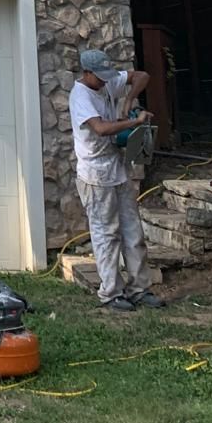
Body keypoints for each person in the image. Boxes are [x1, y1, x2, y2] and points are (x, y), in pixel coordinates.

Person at [69, 48, 165, 311]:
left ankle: (139, 289)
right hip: (95, 174)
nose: (104, 81)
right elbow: (100, 128)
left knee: (133, 231)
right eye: (99, 77)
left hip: (117, 169)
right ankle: (111, 293)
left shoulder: (108, 81)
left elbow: (142, 76)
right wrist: (133, 124)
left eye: (106, 76)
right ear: (86, 73)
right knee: (106, 234)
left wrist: (129, 101)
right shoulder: (80, 96)